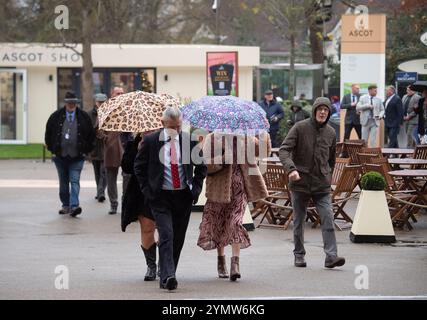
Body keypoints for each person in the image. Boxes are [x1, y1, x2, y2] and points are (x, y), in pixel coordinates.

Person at [134, 107, 207, 290]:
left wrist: (195, 189)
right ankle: (168, 276)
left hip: (183, 196)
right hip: (160, 197)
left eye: (179, 126)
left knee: (178, 238)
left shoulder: (188, 141)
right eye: (172, 127)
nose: (176, 130)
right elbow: (139, 167)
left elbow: (201, 167)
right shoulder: (151, 142)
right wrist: (148, 191)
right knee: (166, 234)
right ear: (163, 124)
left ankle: (168, 270)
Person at [279, 97, 345, 269]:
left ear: (329, 113)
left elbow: (332, 159)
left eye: (326, 110)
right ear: (315, 110)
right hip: (300, 183)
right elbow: (284, 150)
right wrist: (291, 169)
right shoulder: (300, 128)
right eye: (320, 109)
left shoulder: (331, 132)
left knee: (328, 218)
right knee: (299, 221)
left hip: (321, 185)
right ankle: (299, 255)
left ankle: (331, 256)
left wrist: (327, 175)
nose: (323, 112)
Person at [198, 132, 270, 281]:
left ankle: (235, 264)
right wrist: (224, 158)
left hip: (240, 188)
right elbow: (206, 164)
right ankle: (221, 260)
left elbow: (264, 152)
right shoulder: (213, 138)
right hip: (219, 189)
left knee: (235, 222)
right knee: (219, 224)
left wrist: (263, 134)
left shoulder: (246, 137)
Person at [44, 91, 95, 217]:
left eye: (73, 102)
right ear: (65, 103)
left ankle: (74, 206)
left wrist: (86, 150)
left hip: (77, 157)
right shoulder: (55, 116)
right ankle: (65, 205)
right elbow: (48, 133)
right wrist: (53, 150)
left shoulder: (83, 117)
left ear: (76, 103)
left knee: (75, 180)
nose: (71, 104)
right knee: (63, 182)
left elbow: (91, 135)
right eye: (69, 102)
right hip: (60, 157)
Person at [121, 130, 159, 281]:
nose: (150, 131)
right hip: (141, 192)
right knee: (147, 227)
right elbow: (126, 167)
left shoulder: (165, 141)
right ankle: (151, 266)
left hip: (163, 190)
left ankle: (165, 264)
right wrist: (138, 151)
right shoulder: (134, 143)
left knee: (165, 229)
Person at [102, 87, 125, 214]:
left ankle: (126, 202)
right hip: (112, 149)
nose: (120, 95)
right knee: (111, 178)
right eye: (118, 93)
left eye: (122, 93)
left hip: (126, 148)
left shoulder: (128, 109)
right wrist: (106, 139)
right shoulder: (105, 110)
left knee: (128, 178)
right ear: (112, 94)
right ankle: (113, 204)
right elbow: (98, 129)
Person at [89, 93, 108, 203]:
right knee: (97, 172)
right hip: (95, 147)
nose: (101, 104)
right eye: (99, 102)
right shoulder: (90, 115)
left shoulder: (109, 114)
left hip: (106, 146)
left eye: (103, 102)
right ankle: (99, 191)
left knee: (104, 171)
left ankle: (101, 192)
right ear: (95, 102)